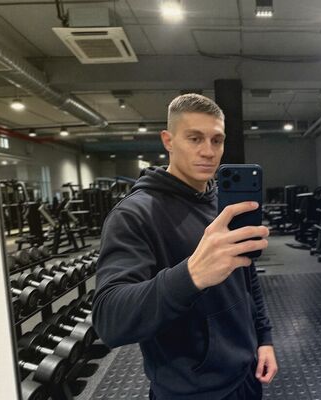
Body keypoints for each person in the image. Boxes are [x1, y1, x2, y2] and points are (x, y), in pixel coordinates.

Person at [92, 93, 278, 400]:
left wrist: (264, 338)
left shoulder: (223, 204)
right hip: (191, 391)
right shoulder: (134, 214)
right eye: (194, 138)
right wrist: (191, 275)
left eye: (217, 140)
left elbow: (247, 277)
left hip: (246, 376)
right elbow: (109, 319)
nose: (208, 151)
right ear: (168, 140)